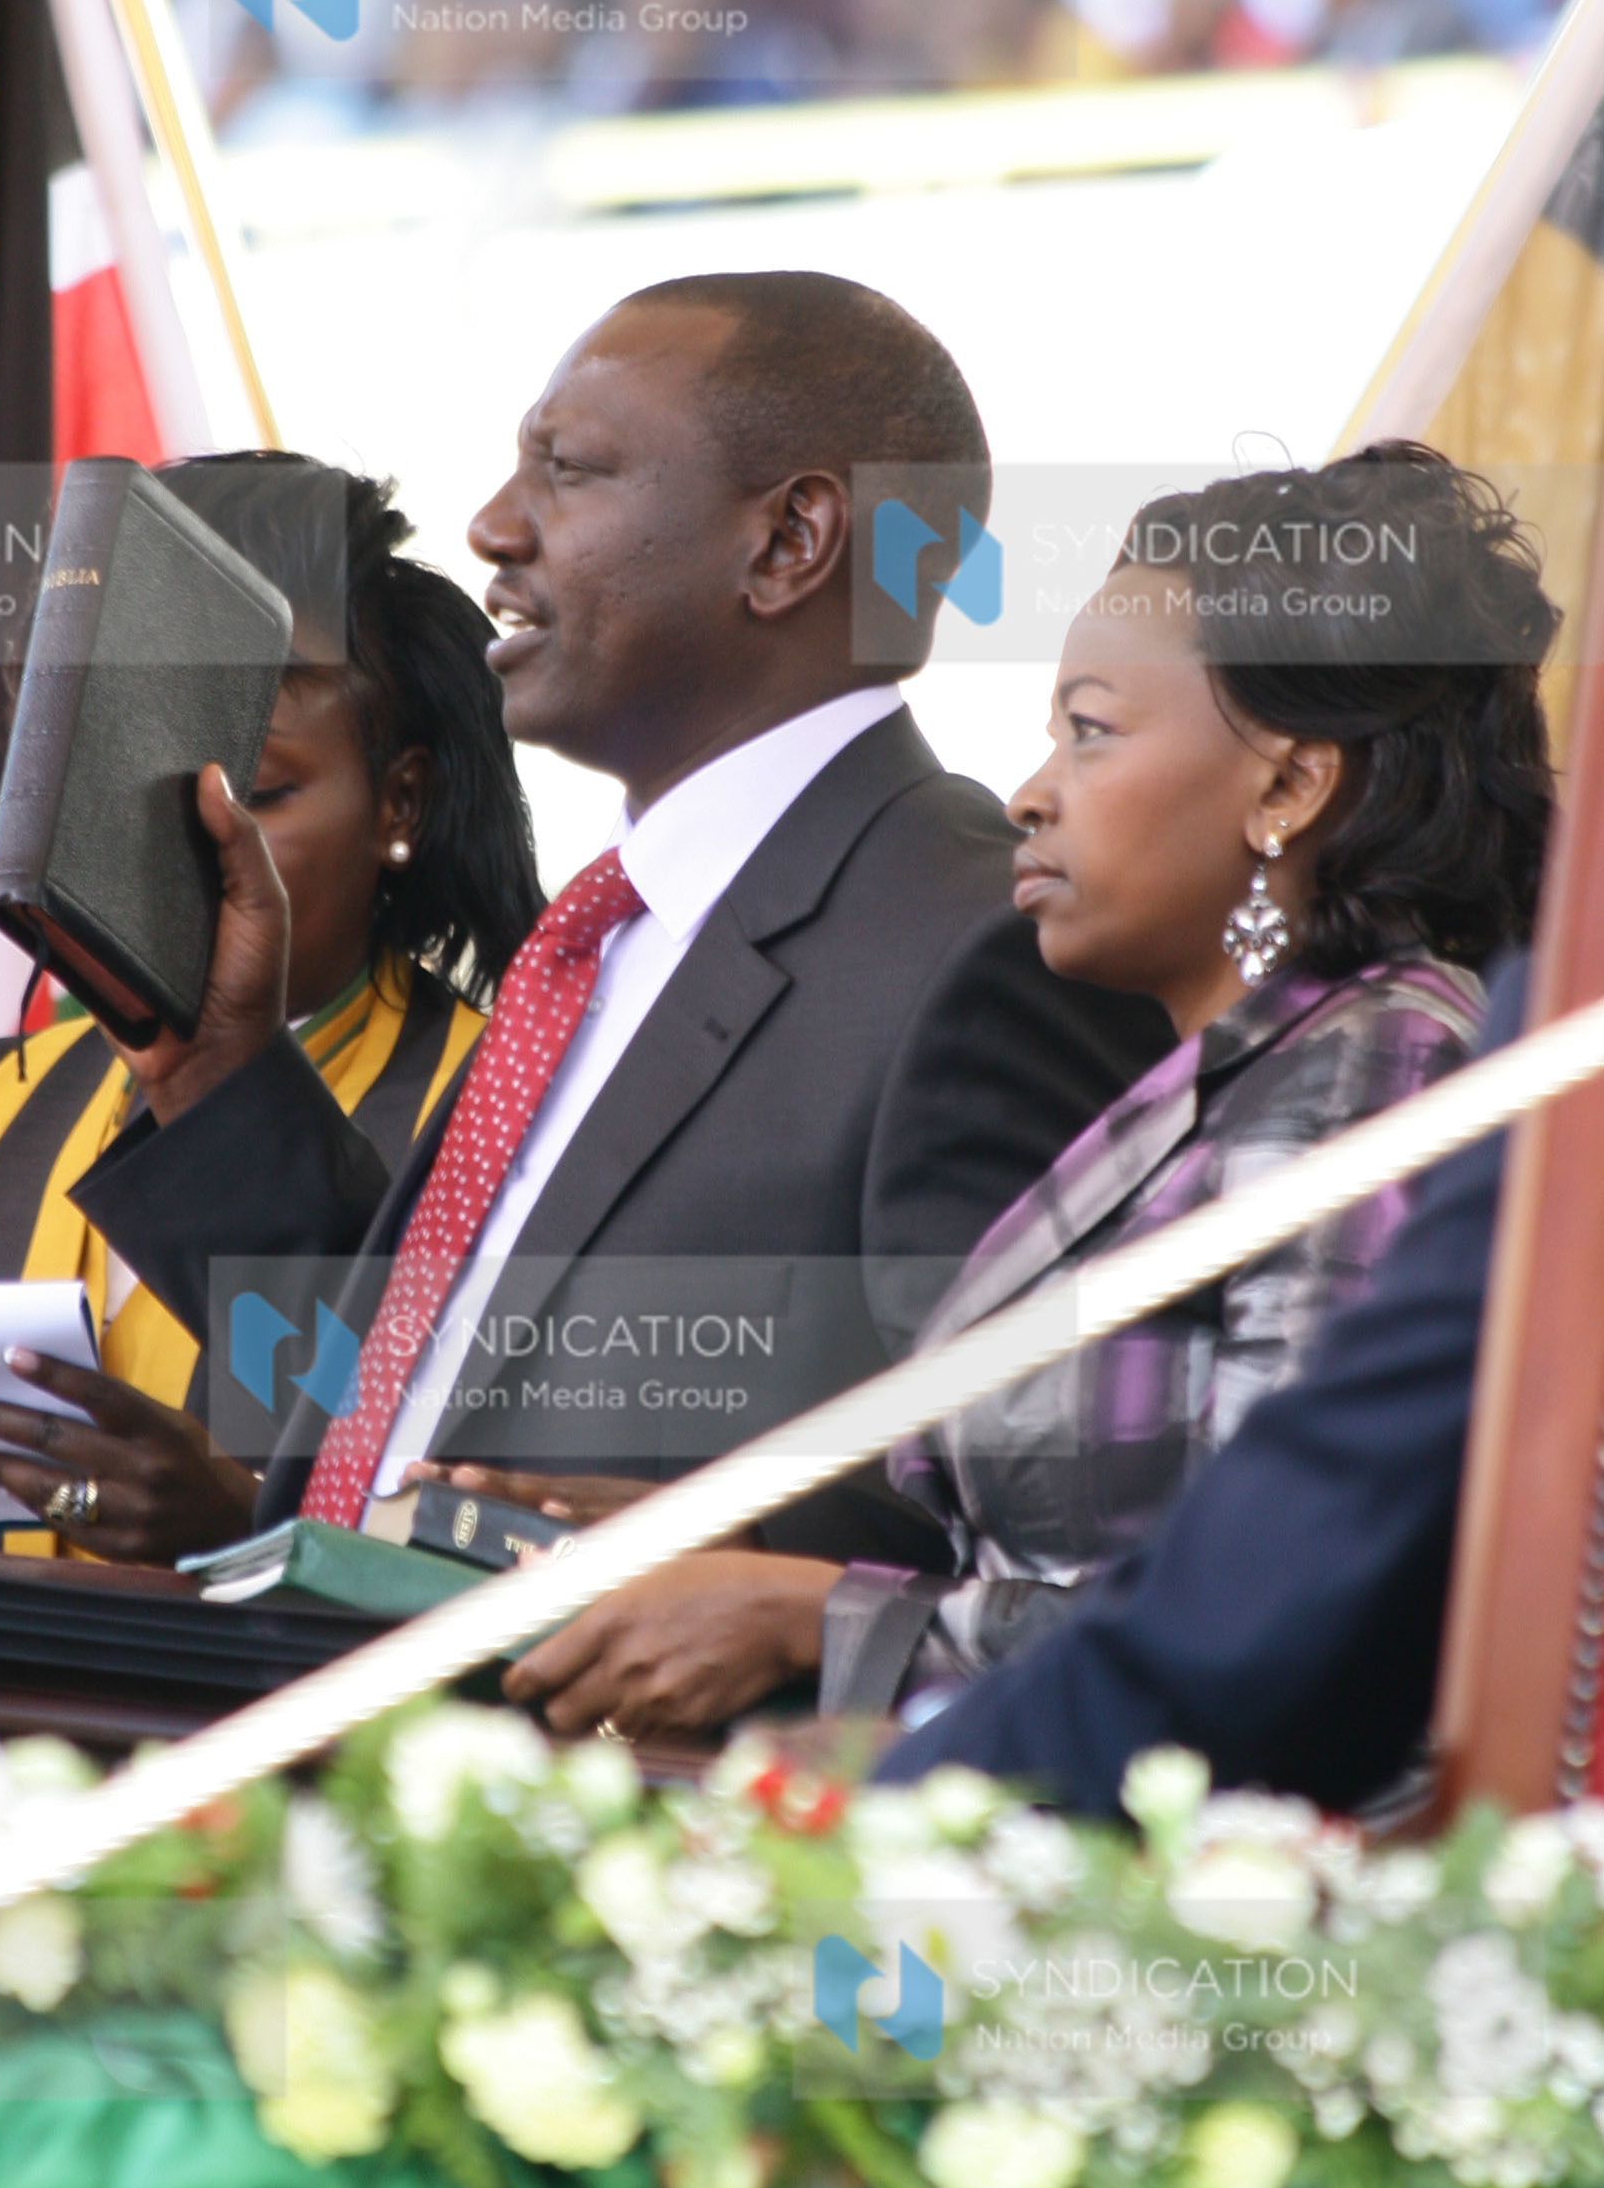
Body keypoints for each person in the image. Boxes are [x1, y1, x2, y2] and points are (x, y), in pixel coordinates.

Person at [0, 271, 1171, 1567]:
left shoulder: (986, 951)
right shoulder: (601, 937)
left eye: (566, 468)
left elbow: (1061, 1541)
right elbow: (413, 1395)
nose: (489, 526)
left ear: (788, 543)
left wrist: (715, 1569)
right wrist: (219, 1073)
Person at [480, 444, 1553, 1740]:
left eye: (1090, 734)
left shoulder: (1373, 1076)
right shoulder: (1228, 1075)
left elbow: (1288, 1613)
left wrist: (802, 1613)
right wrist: (729, 1551)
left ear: (1285, 784)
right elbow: (1058, 1569)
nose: (1029, 794)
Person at [0, 452, 542, 1555]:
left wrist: (257, 1527)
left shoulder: (522, 1123)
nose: (188, 841)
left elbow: (529, 1531)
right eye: (111, 788)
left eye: (253, 795)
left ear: (400, 799)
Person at [876, 952, 1527, 1813]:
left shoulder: (1367, 1056)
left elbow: (1295, 1573)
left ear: (1285, 806)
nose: (1029, 806)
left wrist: (863, 1678)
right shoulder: (1226, 1065)